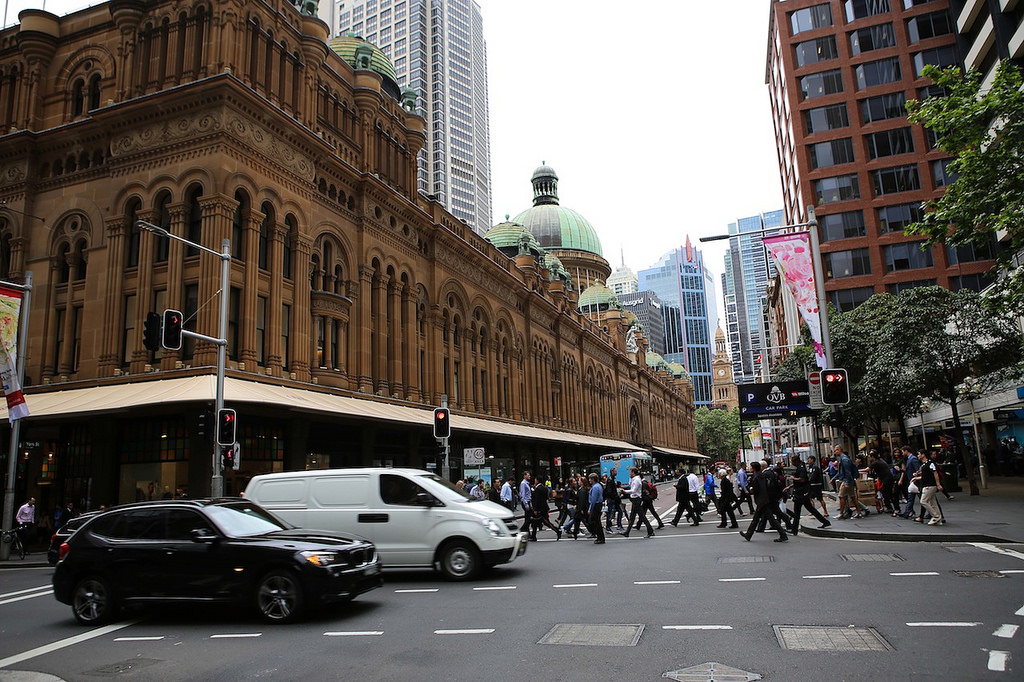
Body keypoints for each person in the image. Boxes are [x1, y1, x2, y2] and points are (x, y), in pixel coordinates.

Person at [739, 462, 788, 542]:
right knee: (756, 518)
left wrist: (751, 489)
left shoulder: (756, 477)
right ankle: (748, 534)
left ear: (754, 468)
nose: (749, 468)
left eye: (751, 467)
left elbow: (757, 490)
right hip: (764, 499)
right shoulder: (762, 475)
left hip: (762, 501)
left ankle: (783, 534)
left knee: (770, 518)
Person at [787, 455, 831, 535]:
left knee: (797, 512)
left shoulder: (801, 468)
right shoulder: (802, 466)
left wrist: (793, 478)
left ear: (796, 461)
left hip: (801, 493)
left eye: (792, 462)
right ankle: (825, 521)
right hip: (802, 493)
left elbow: (802, 479)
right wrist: (789, 486)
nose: (792, 463)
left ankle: (794, 529)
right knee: (810, 509)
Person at [621, 467, 655, 538]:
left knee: (642, 516)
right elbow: (630, 484)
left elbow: (633, 490)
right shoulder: (634, 479)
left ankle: (650, 531)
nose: (629, 473)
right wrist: (630, 478)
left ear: (633, 472)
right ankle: (627, 532)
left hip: (637, 499)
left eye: (630, 472)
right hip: (635, 499)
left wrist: (625, 491)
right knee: (632, 517)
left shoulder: (637, 480)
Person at [915, 450, 945, 525]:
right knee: (933, 502)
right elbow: (926, 475)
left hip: (930, 485)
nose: (918, 456)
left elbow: (935, 473)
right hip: (927, 485)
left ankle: (935, 516)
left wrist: (938, 484)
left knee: (923, 501)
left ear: (923, 455)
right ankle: (939, 517)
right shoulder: (924, 464)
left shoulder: (930, 463)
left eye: (919, 454)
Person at [833, 445, 861, 519]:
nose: (835, 452)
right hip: (847, 480)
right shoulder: (842, 458)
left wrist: (847, 482)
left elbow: (847, 472)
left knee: (841, 496)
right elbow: (841, 471)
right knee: (852, 497)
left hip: (846, 480)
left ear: (840, 450)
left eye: (836, 450)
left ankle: (841, 513)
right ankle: (859, 512)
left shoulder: (844, 459)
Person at [587, 473, 605, 544]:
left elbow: (593, 500)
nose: (589, 480)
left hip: (596, 505)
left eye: (590, 479)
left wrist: (590, 509)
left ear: (593, 479)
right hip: (598, 504)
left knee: (594, 522)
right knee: (597, 522)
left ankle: (600, 537)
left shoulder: (595, 487)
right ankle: (600, 537)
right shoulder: (598, 486)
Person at [604, 467, 622, 531]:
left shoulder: (611, 479)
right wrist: (613, 498)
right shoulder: (610, 480)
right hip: (612, 499)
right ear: (612, 472)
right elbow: (609, 491)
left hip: (614, 499)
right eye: (615, 471)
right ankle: (608, 526)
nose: (616, 472)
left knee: (619, 511)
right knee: (610, 512)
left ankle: (618, 525)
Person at [519, 472, 533, 538]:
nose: (529, 476)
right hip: (526, 502)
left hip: (528, 501)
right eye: (528, 475)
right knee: (529, 518)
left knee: (528, 518)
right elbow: (523, 495)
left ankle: (526, 532)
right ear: (524, 476)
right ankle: (522, 529)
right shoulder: (523, 484)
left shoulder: (527, 483)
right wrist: (526, 504)